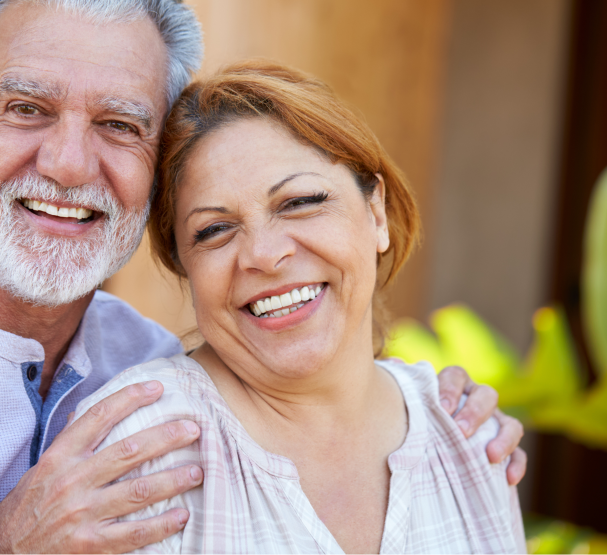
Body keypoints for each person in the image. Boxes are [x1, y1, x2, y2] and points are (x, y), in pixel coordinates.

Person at [0, 1, 524, 553]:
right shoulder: (159, 427)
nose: (69, 165)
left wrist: (438, 409)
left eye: (118, 124)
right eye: (27, 108)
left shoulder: (148, 363)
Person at [73, 60, 527, 553]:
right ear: (186, 267)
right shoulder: (144, 446)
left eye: (300, 202)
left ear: (375, 213)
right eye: (214, 230)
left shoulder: (467, 434)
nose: (265, 256)